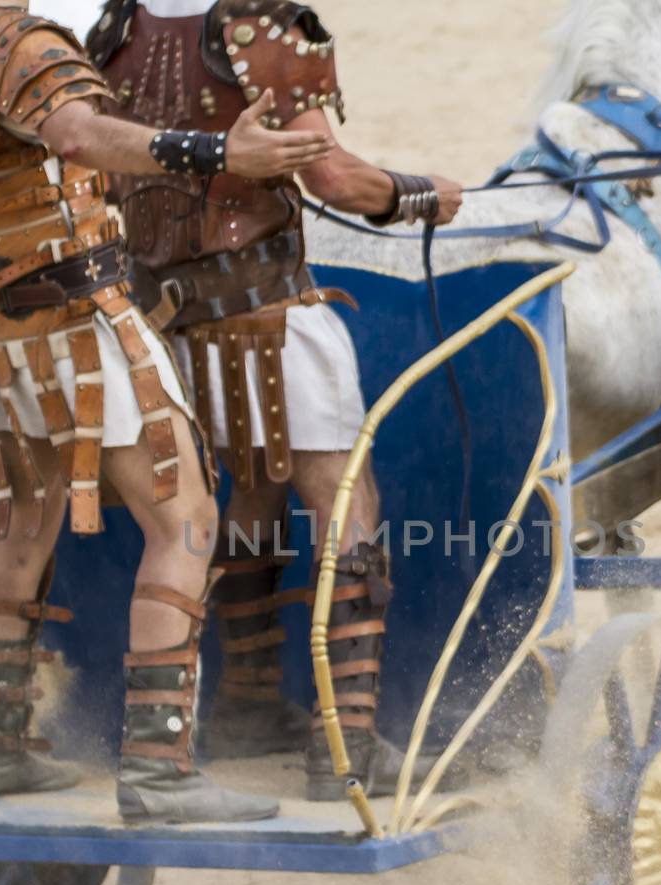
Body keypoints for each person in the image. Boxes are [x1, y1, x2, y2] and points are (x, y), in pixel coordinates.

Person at [0, 0, 333, 822]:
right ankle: (160, 768)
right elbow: (80, 137)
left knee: (21, 531)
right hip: (81, 329)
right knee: (187, 518)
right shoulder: (23, 46)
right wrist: (217, 151)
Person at [87, 0, 463, 801]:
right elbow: (332, 178)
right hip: (268, 313)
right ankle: (348, 744)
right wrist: (421, 194)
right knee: (343, 497)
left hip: (171, 326)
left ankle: (251, 705)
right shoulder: (261, 24)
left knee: (251, 488)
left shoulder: (117, 29)